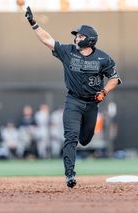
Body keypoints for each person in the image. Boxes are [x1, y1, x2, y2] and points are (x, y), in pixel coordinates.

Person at [24, 6, 121, 188]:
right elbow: (48, 40)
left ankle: (77, 155)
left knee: (85, 139)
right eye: (76, 35)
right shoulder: (68, 52)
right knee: (71, 137)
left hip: (92, 103)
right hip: (73, 101)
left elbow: (114, 79)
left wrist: (104, 91)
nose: (76, 38)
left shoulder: (103, 58)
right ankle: (69, 174)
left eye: (80, 36)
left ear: (90, 40)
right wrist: (34, 23)